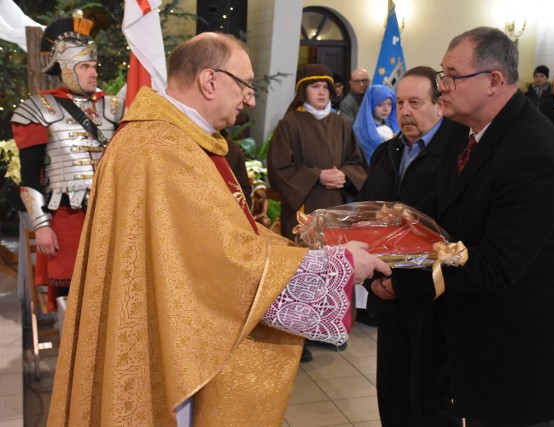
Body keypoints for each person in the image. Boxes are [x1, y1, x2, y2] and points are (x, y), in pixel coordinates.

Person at [48, 33, 391, 426]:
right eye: (245, 84)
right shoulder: (164, 150)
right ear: (210, 81)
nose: (250, 99)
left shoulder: (170, 141)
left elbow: (227, 238)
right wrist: (339, 265)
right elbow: (225, 265)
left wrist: (314, 256)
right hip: (164, 346)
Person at [435, 27, 554, 425]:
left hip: (524, 353)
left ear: (494, 81)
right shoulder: (464, 132)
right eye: (441, 75)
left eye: (452, 75)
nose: (442, 87)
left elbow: (496, 265)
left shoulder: (535, 151)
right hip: (482, 341)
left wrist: (410, 279)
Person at [356, 66, 461, 427]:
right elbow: (369, 217)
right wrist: (374, 281)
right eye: (400, 102)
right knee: (393, 392)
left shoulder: (459, 152)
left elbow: (456, 231)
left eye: (415, 102)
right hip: (387, 293)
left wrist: (405, 282)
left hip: (434, 299)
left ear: (439, 104)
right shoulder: (387, 152)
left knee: (430, 401)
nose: (405, 111)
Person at [11, 16, 124, 312]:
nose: (94, 73)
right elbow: (29, 176)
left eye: (94, 66)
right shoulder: (37, 109)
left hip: (110, 217)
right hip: (66, 220)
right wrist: (42, 227)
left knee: (112, 295)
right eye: (85, 66)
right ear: (66, 70)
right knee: (75, 301)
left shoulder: (113, 108)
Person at [268, 63, 368, 361]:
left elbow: (357, 163)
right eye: (315, 87)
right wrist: (316, 176)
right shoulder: (290, 124)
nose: (322, 92)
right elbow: (280, 169)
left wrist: (345, 175)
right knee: (306, 269)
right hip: (304, 209)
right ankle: (299, 337)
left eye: (326, 87)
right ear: (303, 91)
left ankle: (331, 326)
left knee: (335, 266)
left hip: (337, 209)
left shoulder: (341, 124)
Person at [353, 84, 400, 163]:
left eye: (389, 104)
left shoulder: (391, 125)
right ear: (371, 106)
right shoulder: (360, 130)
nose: (386, 109)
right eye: (380, 105)